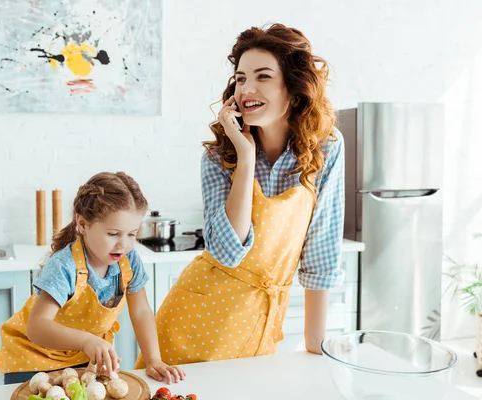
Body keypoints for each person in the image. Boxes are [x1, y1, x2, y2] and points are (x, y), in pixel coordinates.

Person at [136, 23, 345, 367]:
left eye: (262, 76)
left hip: (261, 322)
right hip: (195, 320)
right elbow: (227, 251)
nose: (247, 87)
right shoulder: (221, 156)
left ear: (293, 88)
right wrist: (245, 157)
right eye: (241, 78)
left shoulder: (325, 147)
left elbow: (321, 251)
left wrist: (315, 344)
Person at [0, 172, 185, 384]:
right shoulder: (64, 266)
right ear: (82, 224)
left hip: (81, 358)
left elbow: (140, 311)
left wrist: (154, 360)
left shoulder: (129, 260)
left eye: (131, 234)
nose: (123, 244)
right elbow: (37, 327)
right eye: (113, 234)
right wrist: (86, 340)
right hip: (33, 360)